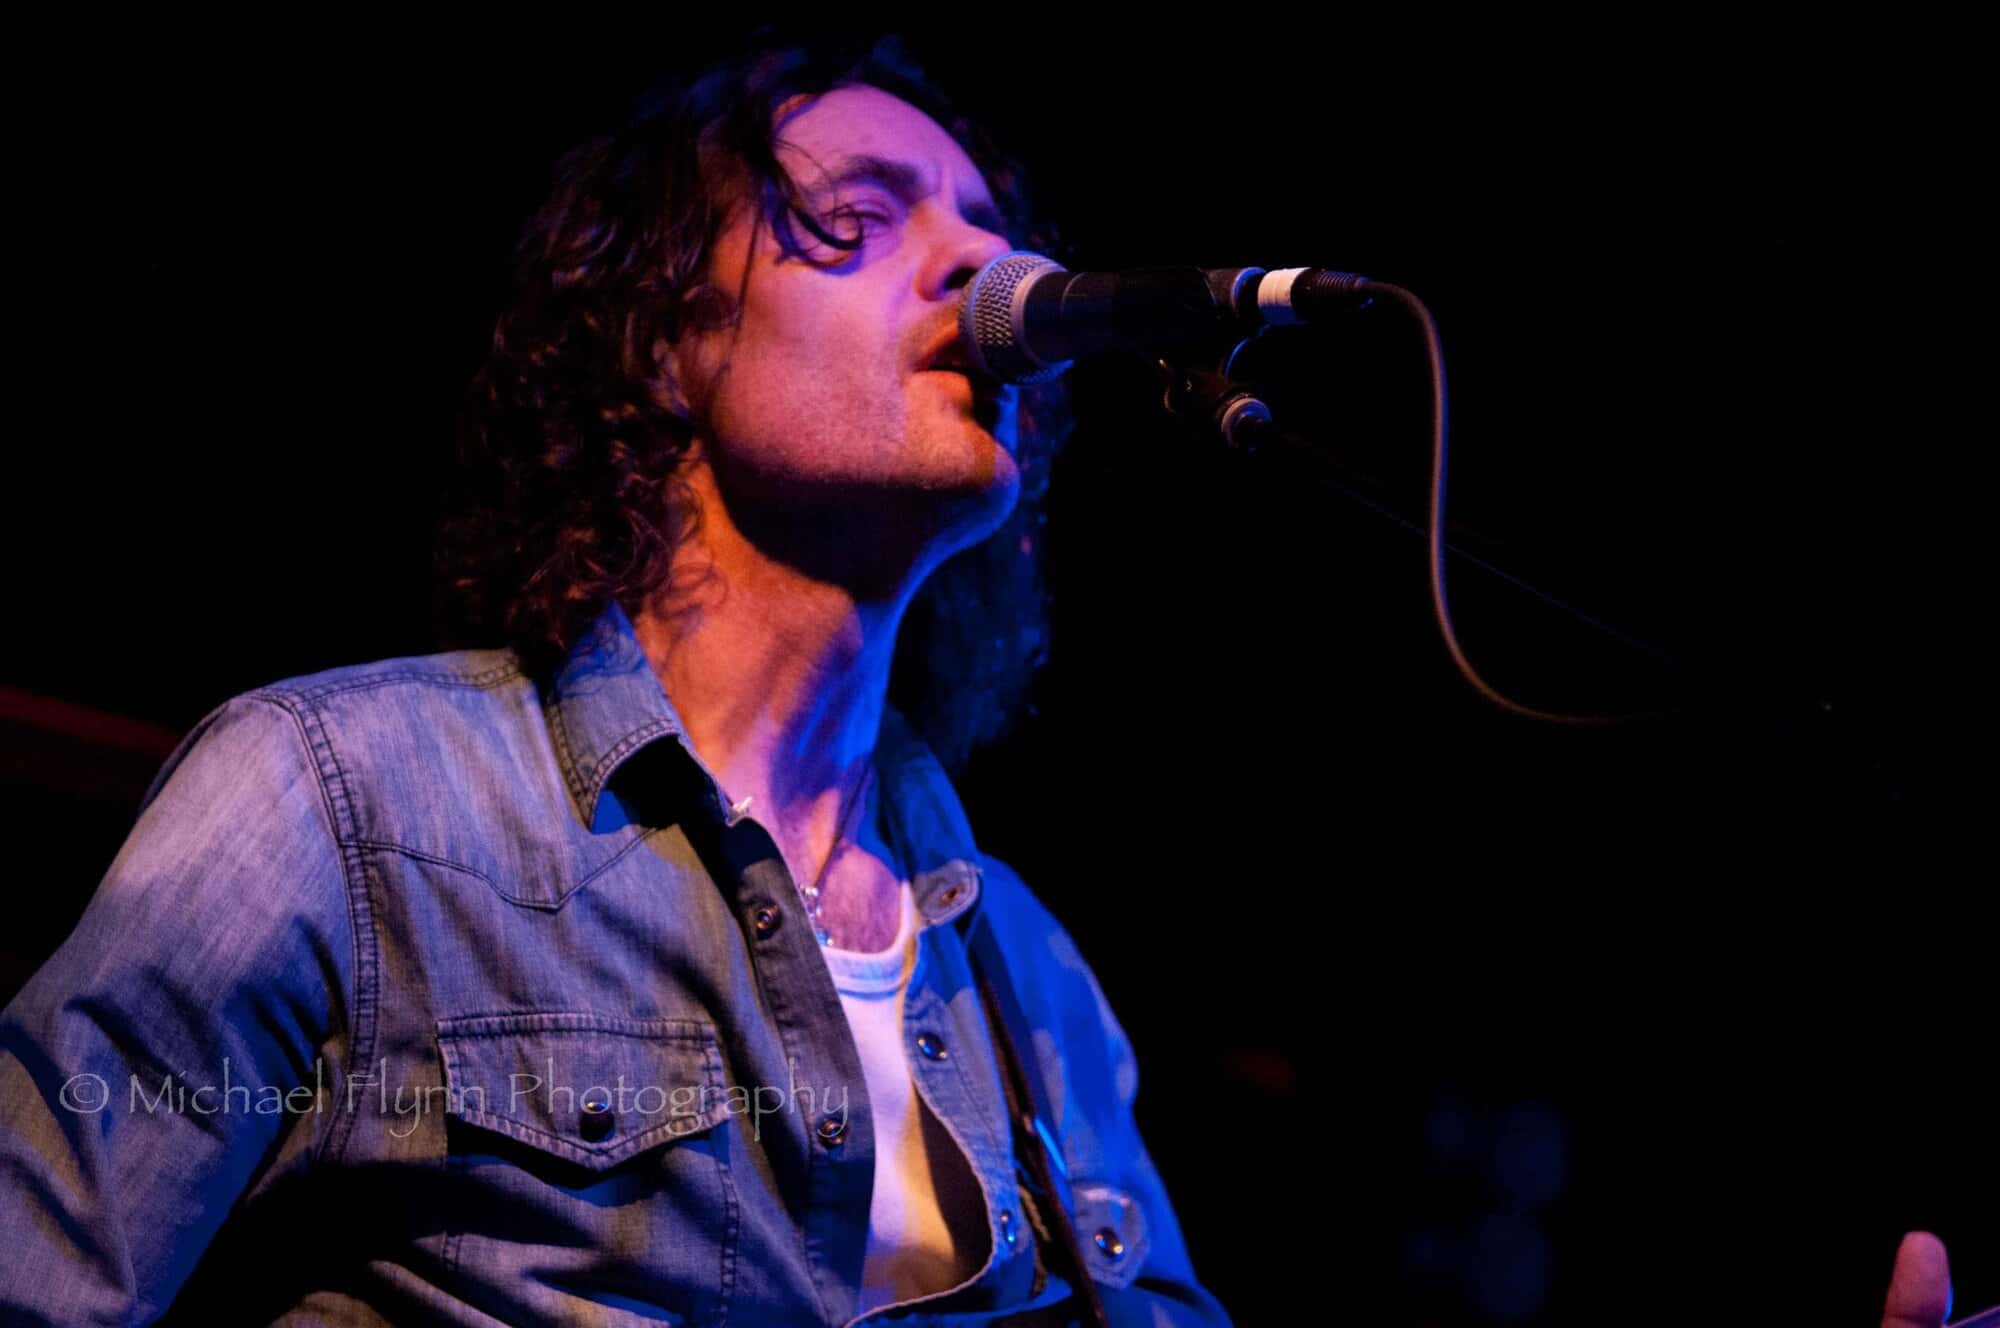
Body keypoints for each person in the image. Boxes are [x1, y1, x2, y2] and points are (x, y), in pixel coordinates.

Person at [0, 35, 1232, 1327]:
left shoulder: (1031, 977)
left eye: (988, 224)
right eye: (858, 219)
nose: (984, 259)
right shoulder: (342, 803)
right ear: (663, 339)